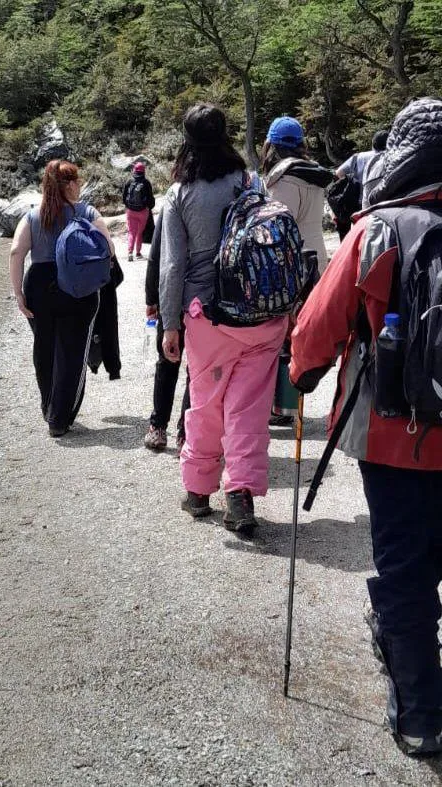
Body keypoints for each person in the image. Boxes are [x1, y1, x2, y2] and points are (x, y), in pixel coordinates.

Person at [290, 97, 442, 757]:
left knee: (405, 567)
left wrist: (302, 374)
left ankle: (419, 714)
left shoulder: (376, 230)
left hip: (393, 438)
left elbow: (317, 328)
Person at [159, 103, 288, 534]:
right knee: (248, 410)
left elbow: (173, 266)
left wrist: (170, 324)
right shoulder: (251, 181)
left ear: (187, 140)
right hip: (260, 315)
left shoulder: (180, 193)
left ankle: (198, 492)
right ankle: (240, 500)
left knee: (206, 404)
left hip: (206, 316)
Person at [9, 159, 115, 437]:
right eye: (78, 181)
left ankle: (48, 407)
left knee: (44, 349)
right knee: (72, 352)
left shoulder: (33, 215)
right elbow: (109, 248)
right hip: (77, 287)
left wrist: (18, 292)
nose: (80, 186)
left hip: (39, 286)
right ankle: (59, 418)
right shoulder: (87, 212)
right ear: (69, 185)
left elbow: (16, 252)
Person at [260, 116, 333, 426]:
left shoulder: (285, 179)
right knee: (295, 336)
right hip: (316, 261)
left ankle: (284, 408)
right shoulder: (312, 173)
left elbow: (279, 226)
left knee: (281, 338)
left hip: (292, 264)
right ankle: (287, 406)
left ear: (271, 146)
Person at [144, 203, 190, 452]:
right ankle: (184, 432)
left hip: (172, 295)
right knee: (196, 368)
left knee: (167, 361)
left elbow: (156, 255)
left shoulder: (175, 200)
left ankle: (159, 427)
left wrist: (152, 297)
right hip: (205, 298)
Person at [122, 162, 155, 262]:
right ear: (143, 171)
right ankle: (138, 253)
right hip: (142, 212)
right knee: (139, 233)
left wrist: (128, 206)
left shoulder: (129, 181)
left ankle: (130, 252)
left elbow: (124, 197)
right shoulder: (146, 182)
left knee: (131, 232)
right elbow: (151, 198)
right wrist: (149, 207)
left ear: (134, 170)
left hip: (130, 211)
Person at [360, 129, 389, 209]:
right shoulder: (396, 157)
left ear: (373, 146)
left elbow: (366, 192)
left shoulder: (370, 162)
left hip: (372, 210)